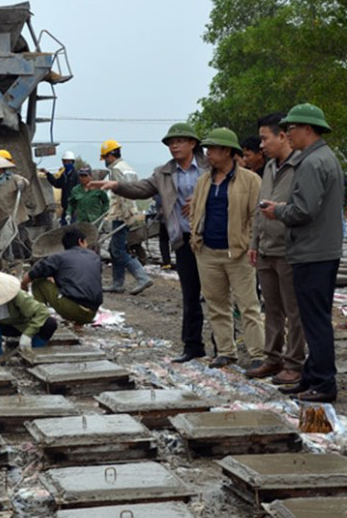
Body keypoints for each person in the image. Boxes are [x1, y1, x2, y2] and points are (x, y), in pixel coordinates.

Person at [91, 123, 207, 362]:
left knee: (218, 297)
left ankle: (227, 350)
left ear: (193, 143)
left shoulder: (209, 167)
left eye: (179, 141)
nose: (174, 146)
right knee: (190, 295)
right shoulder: (163, 172)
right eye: (170, 143)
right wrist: (117, 186)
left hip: (210, 239)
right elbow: (142, 188)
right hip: (183, 240)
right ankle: (193, 346)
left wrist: (201, 199)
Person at [260, 103, 343, 403]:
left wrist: (278, 210)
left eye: (292, 128)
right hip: (321, 249)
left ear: (308, 129)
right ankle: (310, 376)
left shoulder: (311, 163)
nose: (288, 133)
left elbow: (304, 210)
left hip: (313, 252)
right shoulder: (323, 157)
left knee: (315, 321)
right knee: (312, 318)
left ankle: (322, 383)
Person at [191, 128, 264, 369]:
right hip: (208, 252)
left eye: (212, 149)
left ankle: (258, 355)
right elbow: (196, 213)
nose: (207, 153)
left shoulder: (251, 180)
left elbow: (256, 217)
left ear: (227, 152)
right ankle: (225, 352)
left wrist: (252, 245)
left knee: (248, 306)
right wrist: (196, 239)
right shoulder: (203, 181)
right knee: (216, 305)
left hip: (239, 253)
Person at [246, 113, 305, 384]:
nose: (261, 145)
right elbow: (260, 209)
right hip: (267, 248)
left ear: (282, 136)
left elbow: (303, 209)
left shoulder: (302, 165)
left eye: (264, 138)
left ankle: (294, 363)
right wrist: (255, 243)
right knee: (271, 308)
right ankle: (272, 358)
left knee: (294, 311)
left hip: (290, 249)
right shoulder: (269, 168)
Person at [99, 138, 152, 295]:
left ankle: (142, 277)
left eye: (105, 158)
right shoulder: (128, 168)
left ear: (110, 156)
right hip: (126, 212)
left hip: (122, 214)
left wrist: (126, 215)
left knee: (119, 250)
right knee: (114, 248)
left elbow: (124, 194)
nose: (105, 161)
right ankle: (118, 283)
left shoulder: (116, 170)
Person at [0, 269, 57, 356]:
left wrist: (28, 334)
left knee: (50, 323)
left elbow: (42, 312)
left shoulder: (17, 296)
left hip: (22, 326)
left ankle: (31, 349)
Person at [21, 228, 102, 325]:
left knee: (38, 283)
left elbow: (31, 275)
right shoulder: (94, 257)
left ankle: (40, 318)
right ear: (81, 241)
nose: (87, 244)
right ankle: (78, 324)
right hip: (92, 312)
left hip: (73, 310)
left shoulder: (59, 257)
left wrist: (23, 285)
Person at [0, 152, 32, 257]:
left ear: (3, 169)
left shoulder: (13, 178)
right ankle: (7, 259)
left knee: (20, 238)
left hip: (17, 216)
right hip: (2, 218)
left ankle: (28, 257)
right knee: (5, 242)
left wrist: (22, 184)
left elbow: (25, 182)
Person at [41, 151, 79, 226]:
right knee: (64, 227)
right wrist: (48, 174)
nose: (66, 163)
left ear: (72, 162)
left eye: (69, 161)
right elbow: (57, 183)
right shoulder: (64, 175)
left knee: (73, 227)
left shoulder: (76, 175)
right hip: (65, 206)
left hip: (74, 208)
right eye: (65, 161)